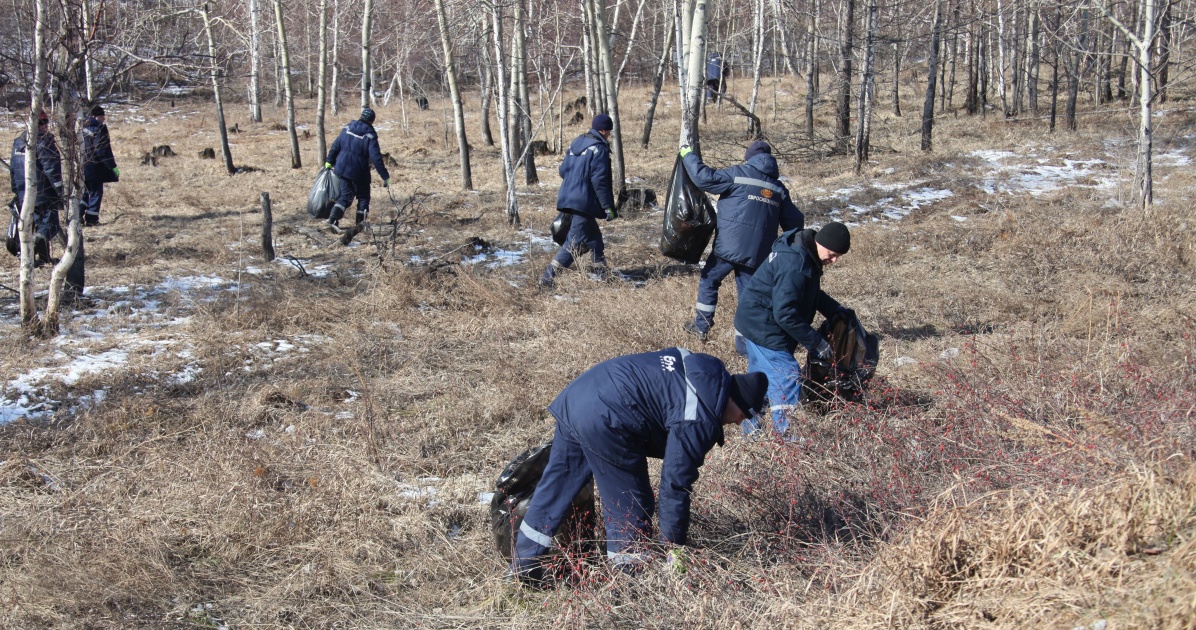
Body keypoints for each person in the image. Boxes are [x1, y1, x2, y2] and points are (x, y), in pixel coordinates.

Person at [510, 347, 768, 586]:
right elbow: (675, 485)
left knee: (557, 485)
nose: (738, 423)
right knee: (631, 502)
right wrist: (673, 547)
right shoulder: (698, 415)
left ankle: (523, 564)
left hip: (581, 394)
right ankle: (628, 581)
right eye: (744, 416)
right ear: (736, 402)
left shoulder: (705, 370)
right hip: (607, 417)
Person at [680, 141, 804, 354]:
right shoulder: (778, 188)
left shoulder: (737, 173)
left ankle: (701, 327)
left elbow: (704, 178)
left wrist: (687, 154)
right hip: (759, 254)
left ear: (749, 157)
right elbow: (795, 223)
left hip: (727, 248)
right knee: (748, 297)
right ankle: (744, 346)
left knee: (710, 280)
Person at [732, 222, 852, 436]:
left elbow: (808, 292)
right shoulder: (795, 263)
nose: (833, 260)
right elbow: (785, 313)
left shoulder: (807, 253)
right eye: (832, 254)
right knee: (787, 377)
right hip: (764, 326)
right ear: (821, 242)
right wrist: (816, 343)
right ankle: (786, 437)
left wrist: (835, 310)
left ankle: (751, 430)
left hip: (755, 321)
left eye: (838, 257)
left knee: (762, 379)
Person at [539, 114, 616, 288]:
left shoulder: (576, 143)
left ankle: (602, 274)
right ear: (603, 130)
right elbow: (600, 180)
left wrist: (576, 180)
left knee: (595, 238)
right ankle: (547, 277)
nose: (609, 135)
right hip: (584, 201)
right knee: (574, 241)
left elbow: (563, 170)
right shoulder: (599, 148)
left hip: (568, 196)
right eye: (609, 131)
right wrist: (607, 206)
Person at [323, 107, 390, 234]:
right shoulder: (370, 135)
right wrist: (385, 176)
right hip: (359, 172)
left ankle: (332, 220)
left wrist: (329, 161)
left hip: (342, 168)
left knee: (344, 197)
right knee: (363, 197)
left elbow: (335, 146)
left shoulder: (347, 128)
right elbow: (376, 158)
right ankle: (360, 225)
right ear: (372, 121)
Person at [10, 110, 64, 265]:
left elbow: (14, 169)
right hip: (42, 190)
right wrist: (60, 191)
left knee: (34, 225)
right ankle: (36, 247)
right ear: (44, 124)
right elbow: (52, 169)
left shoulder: (19, 142)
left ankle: (43, 258)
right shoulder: (44, 141)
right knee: (49, 224)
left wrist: (16, 190)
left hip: (23, 191)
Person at [81, 104, 119, 227]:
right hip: (95, 166)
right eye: (102, 116)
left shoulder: (80, 129)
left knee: (84, 192)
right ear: (94, 116)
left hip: (81, 166)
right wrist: (111, 166)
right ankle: (92, 219)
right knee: (96, 192)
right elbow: (102, 151)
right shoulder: (97, 130)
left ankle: (78, 215)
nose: (104, 119)